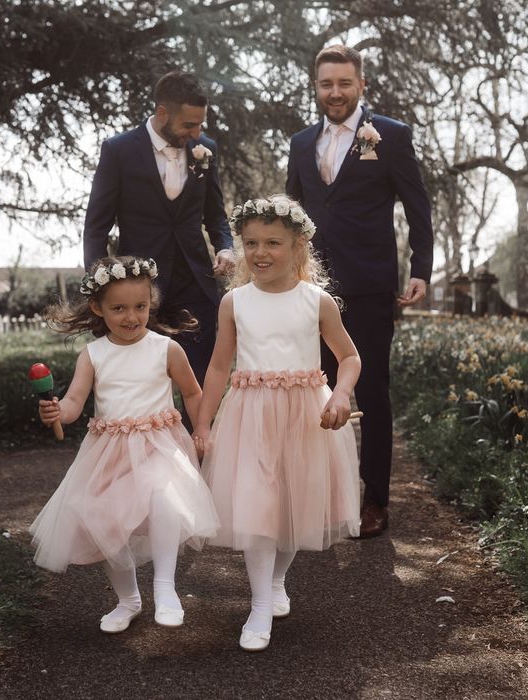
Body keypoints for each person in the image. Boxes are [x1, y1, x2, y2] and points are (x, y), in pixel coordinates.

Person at [195, 195, 361, 652]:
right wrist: (203, 424)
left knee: (293, 504)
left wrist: (342, 394)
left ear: (298, 246)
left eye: (273, 242)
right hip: (250, 416)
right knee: (257, 502)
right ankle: (259, 604)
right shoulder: (234, 302)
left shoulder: (317, 301)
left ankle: (277, 580)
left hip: (305, 416)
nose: (260, 252)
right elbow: (216, 368)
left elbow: (348, 357)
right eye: (251, 243)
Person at [286, 45, 434, 538]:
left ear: (361, 85)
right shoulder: (300, 142)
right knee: (312, 388)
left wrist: (421, 268)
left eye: (344, 83)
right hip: (310, 289)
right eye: (326, 83)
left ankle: (374, 500)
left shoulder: (389, 136)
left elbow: (418, 207)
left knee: (371, 390)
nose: (335, 92)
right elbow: (291, 212)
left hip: (370, 285)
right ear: (316, 85)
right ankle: (320, 493)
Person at [30, 256, 219, 634]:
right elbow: (73, 403)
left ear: (151, 303)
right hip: (110, 453)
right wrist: (56, 411)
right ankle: (128, 599)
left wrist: (201, 428)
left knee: (164, 500)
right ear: (98, 308)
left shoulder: (166, 349)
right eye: (119, 308)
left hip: (159, 446)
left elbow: (193, 392)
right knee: (102, 518)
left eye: (140, 307)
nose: (131, 317)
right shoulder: (94, 354)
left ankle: (165, 588)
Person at [83, 71, 234, 390]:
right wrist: (101, 286)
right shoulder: (119, 150)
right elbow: (96, 226)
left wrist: (224, 247)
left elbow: (215, 213)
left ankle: (201, 439)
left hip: (195, 284)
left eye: (200, 124)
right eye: (189, 125)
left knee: (202, 382)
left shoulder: (205, 149)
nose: (197, 133)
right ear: (162, 113)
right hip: (140, 291)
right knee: (143, 386)